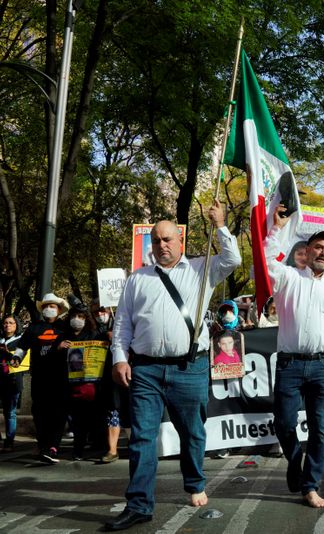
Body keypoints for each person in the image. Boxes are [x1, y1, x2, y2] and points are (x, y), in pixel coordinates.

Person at [104, 200, 241, 531]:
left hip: (189, 369)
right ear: (151, 244)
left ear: (180, 241)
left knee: (192, 432)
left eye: (168, 239)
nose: (162, 245)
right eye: (156, 240)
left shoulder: (201, 269)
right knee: (141, 438)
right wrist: (120, 358)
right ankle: (139, 504)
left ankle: (194, 482)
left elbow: (233, 259)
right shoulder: (137, 280)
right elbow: (123, 325)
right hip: (146, 370)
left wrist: (220, 223)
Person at [268, 204, 324, 509]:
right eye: (317, 247)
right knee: (283, 422)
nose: (323, 252)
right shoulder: (287, 278)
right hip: (290, 364)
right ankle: (295, 461)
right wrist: (277, 229)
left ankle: (311, 485)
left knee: (320, 430)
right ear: (305, 251)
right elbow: (266, 261)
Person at [11, 293, 71, 464]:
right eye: (46, 306)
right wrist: (16, 357)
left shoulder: (65, 328)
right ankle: (43, 444)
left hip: (60, 378)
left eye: (52, 306)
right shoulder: (34, 328)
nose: (48, 309)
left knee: (58, 413)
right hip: (39, 377)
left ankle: (53, 447)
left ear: (59, 310)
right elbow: (22, 346)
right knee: (39, 413)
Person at [58, 300, 102, 461]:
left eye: (81, 316)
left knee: (86, 417)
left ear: (86, 319)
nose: (77, 319)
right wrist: (59, 347)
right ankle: (77, 447)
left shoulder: (93, 335)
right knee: (75, 419)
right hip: (67, 383)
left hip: (88, 384)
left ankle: (86, 446)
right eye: (74, 316)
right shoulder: (63, 336)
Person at [92, 300, 126, 465]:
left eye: (102, 310)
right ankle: (112, 449)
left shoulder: (124, 324)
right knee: (112, 411)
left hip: (128, 374)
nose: (99, 314)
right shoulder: (94, 330)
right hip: (106, 377)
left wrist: (117, 337)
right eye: (96, 312)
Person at [0, 314, 24, 452]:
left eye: (11, 323)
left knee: (10, 412)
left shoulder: (21, 341)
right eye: (5, 323)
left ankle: (9, 442)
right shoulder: (1, 339)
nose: (7, 325)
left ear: (16, 325)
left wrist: (8, 353)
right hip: (0, 379)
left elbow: (20, 360)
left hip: (13, 380)